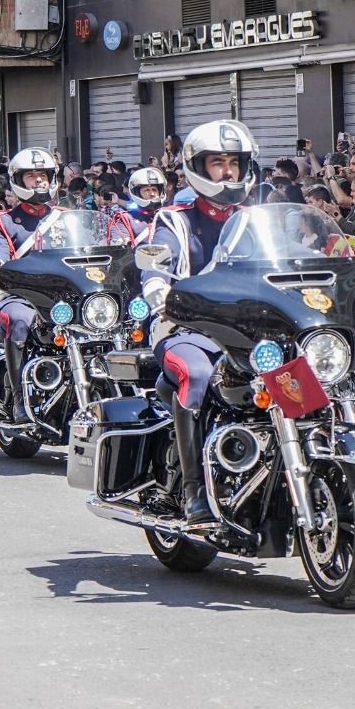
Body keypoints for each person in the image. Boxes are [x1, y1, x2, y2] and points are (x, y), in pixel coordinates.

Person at [138, 120, 259, 525]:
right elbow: (158, 263)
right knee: (197, 372)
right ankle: (194, 492)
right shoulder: (174, 219)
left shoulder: (256, 218)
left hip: (250, 331)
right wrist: (158, 288)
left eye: (234, 163)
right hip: (186, 328)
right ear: (197, 167)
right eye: (218, 163)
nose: (228, 172)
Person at [0, 147, 61, 426]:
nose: (39, 181)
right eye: (31, 176)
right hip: (19, 295)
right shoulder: (6, 222)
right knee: (19, 319)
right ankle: (19, 397)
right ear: (18, 181)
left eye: (43, 175)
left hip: (60, 297)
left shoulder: (64, 216)